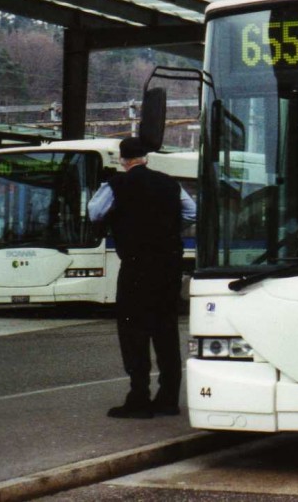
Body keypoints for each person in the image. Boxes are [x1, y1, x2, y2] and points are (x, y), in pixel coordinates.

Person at [89, 137, 196, 419]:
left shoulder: (115, 185)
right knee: (166, 329)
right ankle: (169, 398)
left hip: (136, 265)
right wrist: (168, 228)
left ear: (124, 160)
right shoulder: (170, 183)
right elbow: (192, 212)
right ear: (146, 157)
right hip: (168, 266)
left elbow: (94, 212)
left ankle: (139, 397)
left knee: (133, 330)